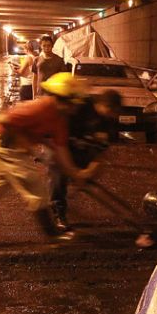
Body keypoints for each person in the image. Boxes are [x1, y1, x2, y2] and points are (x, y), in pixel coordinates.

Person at [0, 73, 100, 247]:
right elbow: (4, 119)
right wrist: (23, 139)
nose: (75, 108)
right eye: (74, 104)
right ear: (63, 100)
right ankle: (53, 236)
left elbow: (61, 150)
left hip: (7, 148)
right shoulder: (39, 108)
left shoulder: (60, 119)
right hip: (6, 146)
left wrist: (76, 174)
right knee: (36, 186)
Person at [49, 89, 122, 233]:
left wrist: (87, 173)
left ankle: (75, 185)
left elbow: (101, 154)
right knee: (58, 174)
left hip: (82, 149)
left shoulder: (109, 123)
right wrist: (72, 170)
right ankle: (58, 212)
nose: (111, 116)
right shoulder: (80, 107)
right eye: (110, 111)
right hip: (61, 145)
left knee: (86, 175)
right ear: (103, 105)